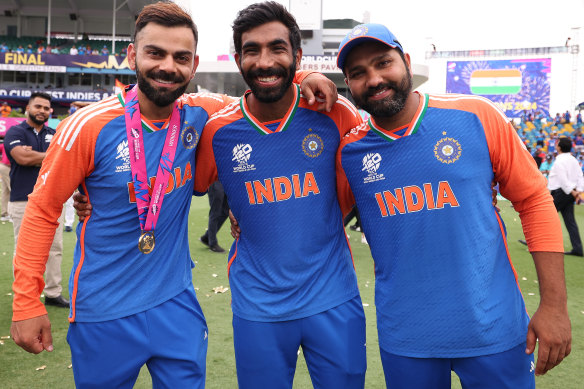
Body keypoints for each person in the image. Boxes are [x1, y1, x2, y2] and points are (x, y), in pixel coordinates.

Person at [13, 2, 334, 388]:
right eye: (155, 53)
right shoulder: (86, 127)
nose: (168, 66)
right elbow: (43, 210)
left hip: (177, 304)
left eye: (181, 57)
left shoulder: (204, 115)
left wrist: (308, 73)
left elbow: (263, 89)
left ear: (194, 65)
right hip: (104, 311)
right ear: (132, 55)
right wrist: (27, 302)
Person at [334, 23, 571, 388]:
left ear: (407, 62)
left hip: (495, 328)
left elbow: (534, 201)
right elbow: (314, 210)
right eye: (358, 73)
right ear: (349, 85)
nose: (375, 78)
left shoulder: (475, 114)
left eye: (384, 63)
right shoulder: (349, 151)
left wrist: (553, 306)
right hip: (406, 338)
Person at [194, 2, 366, 388]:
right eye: (252, 50)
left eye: (277, 49)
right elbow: (180, 186)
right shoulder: (217, 132)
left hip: (334, 298)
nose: (264, 61)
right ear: (238, 59)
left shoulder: (335, 114)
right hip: (259, 307)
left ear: (297, 55)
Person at [4, 92, 69, 309]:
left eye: (46, 108)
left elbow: (65, 158)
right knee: (24, 251)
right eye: (38, 106)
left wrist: (37, 156)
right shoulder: (16, 131)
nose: (42, 111)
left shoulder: (55, 132)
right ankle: (26, 295)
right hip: (23, 199)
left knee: (55, 248)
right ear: (28, 109)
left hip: (52, 199)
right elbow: (22, 157)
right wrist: (52, 155)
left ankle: (53, 293)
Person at [548, 136, 584, 257]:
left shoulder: (559, 161)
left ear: (559, 146)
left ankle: (535, 242)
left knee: (545, 216)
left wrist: (573, 193)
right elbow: (580, 176)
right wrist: (577, 192)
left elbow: (563, 180)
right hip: (569, 193)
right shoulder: (574, 160)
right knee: (570, 221)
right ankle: (577, 248)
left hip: (562, 192)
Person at [200, 180, 229, 253]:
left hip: (225, 178)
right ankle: (212, 244)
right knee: (215, 211)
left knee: (226, 211)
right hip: (214, 179)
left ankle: (207, 237)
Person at [0, 128, 10, 221]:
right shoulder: (10, 143)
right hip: (7, 167)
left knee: (5, 191)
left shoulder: (4, 144)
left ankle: (4, 214)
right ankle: (10, 214)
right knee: (13, 190)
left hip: (3, 166)